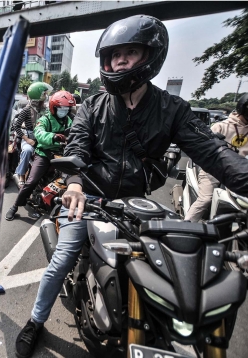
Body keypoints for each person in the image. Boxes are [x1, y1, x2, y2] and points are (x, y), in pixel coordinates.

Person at [14, 15, 248, 358]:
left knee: (179, 266)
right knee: (62, 259)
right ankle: (35, 321)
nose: (119, 60)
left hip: (136, 204)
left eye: (131, 52)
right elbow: (77, 146)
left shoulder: (173, 109)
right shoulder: (92, 106)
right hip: (90, 197)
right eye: (114, 54)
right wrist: (75, 184)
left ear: (150, 55)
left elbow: (215, 154)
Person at [5, 90, 76, 221]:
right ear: (53, 107)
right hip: (44, 153)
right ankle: (15, 206)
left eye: (67, 108)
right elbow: (39, 133)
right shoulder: (45, 119)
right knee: (32, 181)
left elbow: (77, 133)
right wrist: (53, 137)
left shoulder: (69, 120)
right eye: (61, 108)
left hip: (61, 154)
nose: (64, 111)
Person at [185, 93, 248, 222]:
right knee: (205, 199)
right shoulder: (221, 126)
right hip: (213, 171)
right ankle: (185, 227)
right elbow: (206, 148)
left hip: (240, 173)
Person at [12, 82, 52, 187]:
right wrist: (27, 139)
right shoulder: (26, 110)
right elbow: (16, 126)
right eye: (44, 94)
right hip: (29, 138)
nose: (45, 96)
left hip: (43, 139)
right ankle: (21, 175)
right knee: (27, 151)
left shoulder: (47, 110)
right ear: (37, 95)